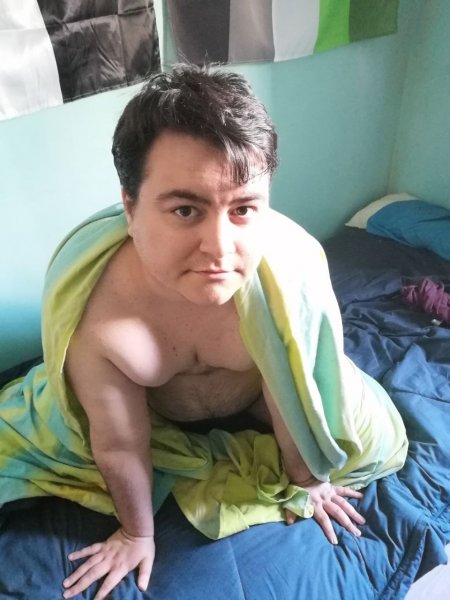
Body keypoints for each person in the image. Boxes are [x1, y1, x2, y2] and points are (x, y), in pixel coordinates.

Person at [0, 64, 407, 600]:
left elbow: (294, 389)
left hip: (256, 400)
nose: (219, 248)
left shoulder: (288, 284)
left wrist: (310, 481)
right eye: (186, 209)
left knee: (371, 441)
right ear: (130, 208)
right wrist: (137, 533)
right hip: (159, 413)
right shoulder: (98, 316)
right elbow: (119, 443)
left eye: (243, 209)